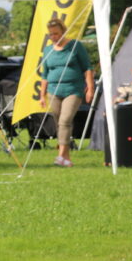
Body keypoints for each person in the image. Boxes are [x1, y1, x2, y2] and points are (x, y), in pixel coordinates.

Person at [38, 18, 94, 167]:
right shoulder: (48, 50)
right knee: (59, 124)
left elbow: (87, 68)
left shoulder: (75, 46)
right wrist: (41, 95)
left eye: (56, 34)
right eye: (51, 34)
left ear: (63, 31)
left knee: (65, 120)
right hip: (53, 91)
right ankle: (67, 158)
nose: (54, 37)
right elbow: (45, 75)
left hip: (73, 90)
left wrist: (90, 88)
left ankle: (61, 155)